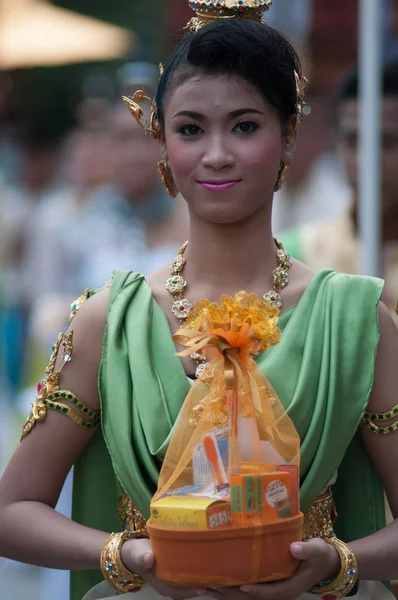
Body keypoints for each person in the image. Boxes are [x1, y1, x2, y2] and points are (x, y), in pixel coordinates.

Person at [1, 3, 398, 600]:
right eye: (190, 129)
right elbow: (13, 509)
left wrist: (337, 561)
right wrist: (123, 553)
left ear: (289, 134)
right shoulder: (110, 321)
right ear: (161, 141)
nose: (216, 154)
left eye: (245, 125)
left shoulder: (356, 319)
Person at [279, 61, 398, 327]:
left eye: (387, 142)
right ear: (337, 145)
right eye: (354, 141)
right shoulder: (294, 256)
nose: (367, 161)